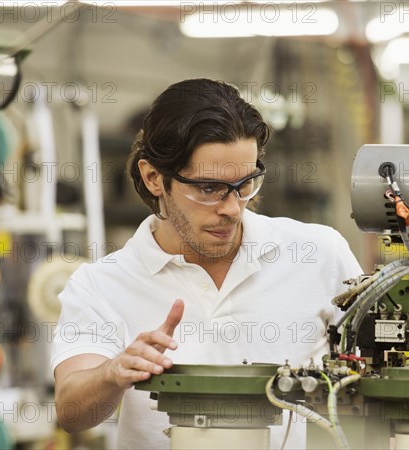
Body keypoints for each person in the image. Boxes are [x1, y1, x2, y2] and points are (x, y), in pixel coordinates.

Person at [51, 78, 362, 449]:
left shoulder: (318, 253)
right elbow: (70, 413)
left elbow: (376, 373)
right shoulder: (101, 284)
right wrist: (112, 372)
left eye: (245, 184)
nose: (231, 208)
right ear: (154, 178)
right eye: (209, 189)